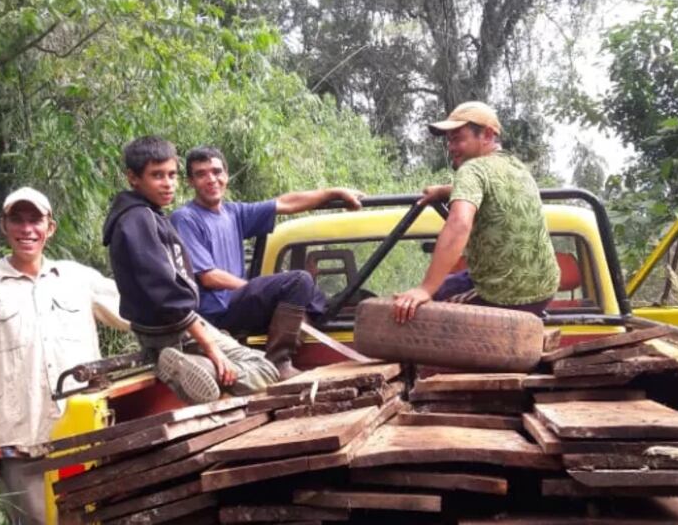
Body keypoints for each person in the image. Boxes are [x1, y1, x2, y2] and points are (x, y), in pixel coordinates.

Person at [0, 187, 130, 524]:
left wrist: (197, 325)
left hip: (82, 433)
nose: (27, 229)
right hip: (19, 444)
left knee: (97, 519)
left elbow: (136, 311)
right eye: (18, 220)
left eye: (36, 220)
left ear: (51, 228)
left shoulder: (77, 278)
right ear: (4, 226)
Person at [102, 136, 279, 401]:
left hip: (167, 328)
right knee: (266, 370)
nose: (168, 184)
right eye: (157, 176)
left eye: (172, 175)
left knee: (256, 363)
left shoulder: (146, 215)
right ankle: (204, 366)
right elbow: (166, 294)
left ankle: (195, 365)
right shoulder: (138, 220)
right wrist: (211, 349)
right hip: (175, 329)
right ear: (133, 177)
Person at [171, 146, 363, 378]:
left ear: (226, 175)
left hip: (237, 304)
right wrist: (256, 288)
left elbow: (285, 203)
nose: (211, 179)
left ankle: (330, 320)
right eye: (201, 174)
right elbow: (208, 277)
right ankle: (278, 363)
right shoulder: (185, 218)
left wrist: (334, 192)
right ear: (190, 182)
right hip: (215, 313)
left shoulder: (233, 213)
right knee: (298, 280)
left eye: (216, 171)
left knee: (311, 290)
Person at [393, 101, 560, 323]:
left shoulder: (472, 170)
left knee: (420, 313)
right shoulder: (515, 167)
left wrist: (425, 289)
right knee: (450, 284)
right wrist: (446, 191)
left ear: (488, 135)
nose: (451, 147)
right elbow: (492, 191)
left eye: (458, 138)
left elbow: (459, 224)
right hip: (544, 289)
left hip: (505, 297)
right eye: (449, 140)